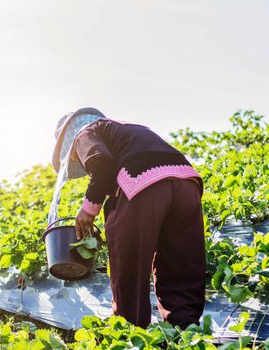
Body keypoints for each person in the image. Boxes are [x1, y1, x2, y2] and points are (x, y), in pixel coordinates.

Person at [52, 107, 205, 329]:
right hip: (187, 183)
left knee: (128, 265)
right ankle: (185, 332)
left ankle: (130, 333)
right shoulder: (125, 128)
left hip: (142, 184)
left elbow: (101, 162)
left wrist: (88, 209)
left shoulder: (83, 133)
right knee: (180, 263)